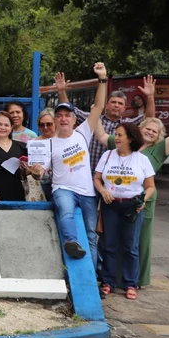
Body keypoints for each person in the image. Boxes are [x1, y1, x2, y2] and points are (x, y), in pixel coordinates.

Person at [94, 100, 169, 288]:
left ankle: (136, 280)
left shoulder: (159, 149)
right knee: (112, 241)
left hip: (142, 201)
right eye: (147, 129)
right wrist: (97, 107)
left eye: (154, 131)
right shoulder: (120, 142)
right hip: (114, 201)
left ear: (158, 136)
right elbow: (100, 134)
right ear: (138, 130)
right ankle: (112, 279)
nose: (150, 132)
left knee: (137, 242)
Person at [49, 63, 107, 265]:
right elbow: (41, 172)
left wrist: (102, 79)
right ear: (55, 120)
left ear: (74, 120)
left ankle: (92, 279)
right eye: (59, 116)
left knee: (91, 235)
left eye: (67, 115)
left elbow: (99, 107)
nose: (63, 119)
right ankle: (71, 242)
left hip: (87, 192)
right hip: (63, 188)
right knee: (65, 212)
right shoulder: (49, 143)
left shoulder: (83, 132)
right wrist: (36, 171)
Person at [94, 123, 156, 300]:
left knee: (130, 246)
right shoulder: (107, 155)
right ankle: (108, 282)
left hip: (132, 207)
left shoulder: (141, 159)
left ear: (130, 138)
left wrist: (143, 200)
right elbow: (97, 178)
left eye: (120, 135)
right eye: (116, 134)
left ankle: (130, 284)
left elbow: (150, 186)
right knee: (109, 244)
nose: (117, 138)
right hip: (110, 205)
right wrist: (104, 191)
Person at [55, 72, 156, 169]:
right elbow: (70, 111)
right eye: (113, 102)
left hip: (113, 176)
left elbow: (149, 119)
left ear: (124, 108)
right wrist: (61, 91)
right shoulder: (92, 119)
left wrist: (150, 97)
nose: (116, 105)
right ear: (106, 105)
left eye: (120, 103)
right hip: (89, 173)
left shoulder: (128, 125)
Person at [34, 108, 56, 200]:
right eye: (41, 125)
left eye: (49, 124)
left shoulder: (63, 141)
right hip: (40, 185)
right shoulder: (33, 143)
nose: (45, 127)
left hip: (60, 185)